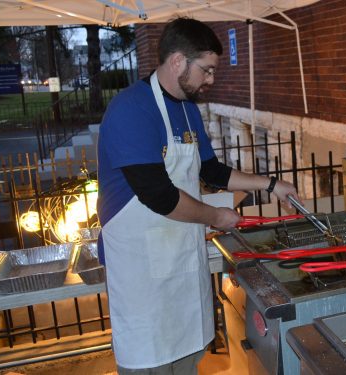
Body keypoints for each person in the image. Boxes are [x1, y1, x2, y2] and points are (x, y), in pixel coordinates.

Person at [96, 17, 299, 374]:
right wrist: (217, 217)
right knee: (151, 364)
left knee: (189, 359)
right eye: (206, 70)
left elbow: (212, 171)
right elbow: (159, 195)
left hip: (180, 261)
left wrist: (271, 184)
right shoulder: (132, 109)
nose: (211, 79)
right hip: (142, 272)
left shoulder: (188, 110)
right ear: (177, 61)